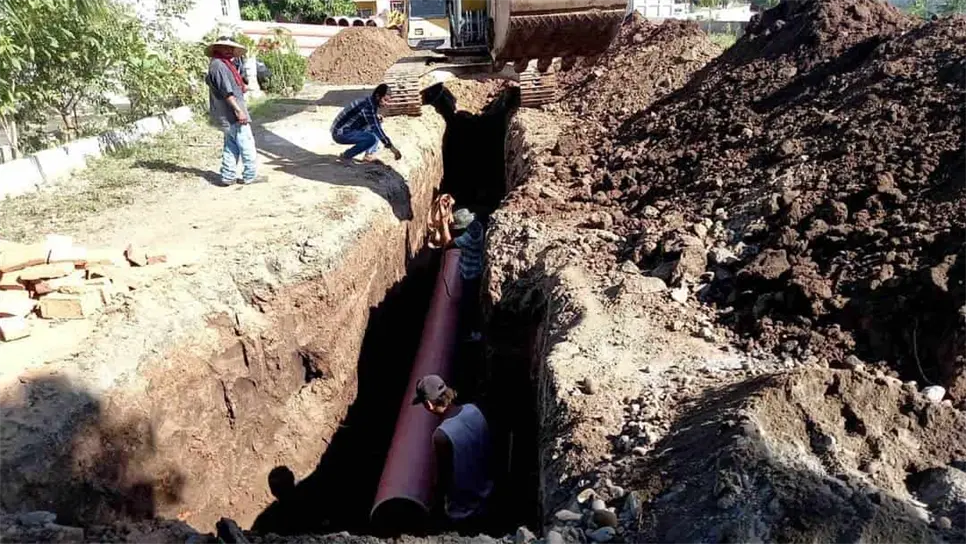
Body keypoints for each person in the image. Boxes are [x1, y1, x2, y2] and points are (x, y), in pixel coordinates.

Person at [413, 374, 493, 531]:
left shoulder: (442, 435)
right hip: (489, 500)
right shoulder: (474, 410)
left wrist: (432, 513)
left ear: (429, 404)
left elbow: (443, 480)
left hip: (462, 514)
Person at [205, 36, 266, 186]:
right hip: (231, 113)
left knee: (231, 145)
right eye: (226, 47)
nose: (229, 50)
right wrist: (238, 110)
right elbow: (227, 92)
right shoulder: (219, 66)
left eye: (231, 48)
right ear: (218, 49)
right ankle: (250, 175)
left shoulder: (221, 64)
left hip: (226, 113)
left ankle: (228, 176)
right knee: (246, 144)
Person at [441, 208, 485, 341]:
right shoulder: (478, 226)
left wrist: (444, 224)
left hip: (471, 275)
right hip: (477, 269)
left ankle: (472, 333)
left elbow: (448, 243)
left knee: (468, 304)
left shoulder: (469, 237)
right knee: (470, 302)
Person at [331, 84, 403, 163]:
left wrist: (376, 118)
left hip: (346, 129)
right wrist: (392, 148)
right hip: (340, 133)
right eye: (385, 100)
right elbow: (376, 129)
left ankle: (369, 155)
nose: (386, 104)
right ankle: (346, 156)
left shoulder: (370, 102)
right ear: (378, 96)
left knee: (376, 122)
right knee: (371, 138)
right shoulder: (367, 106)